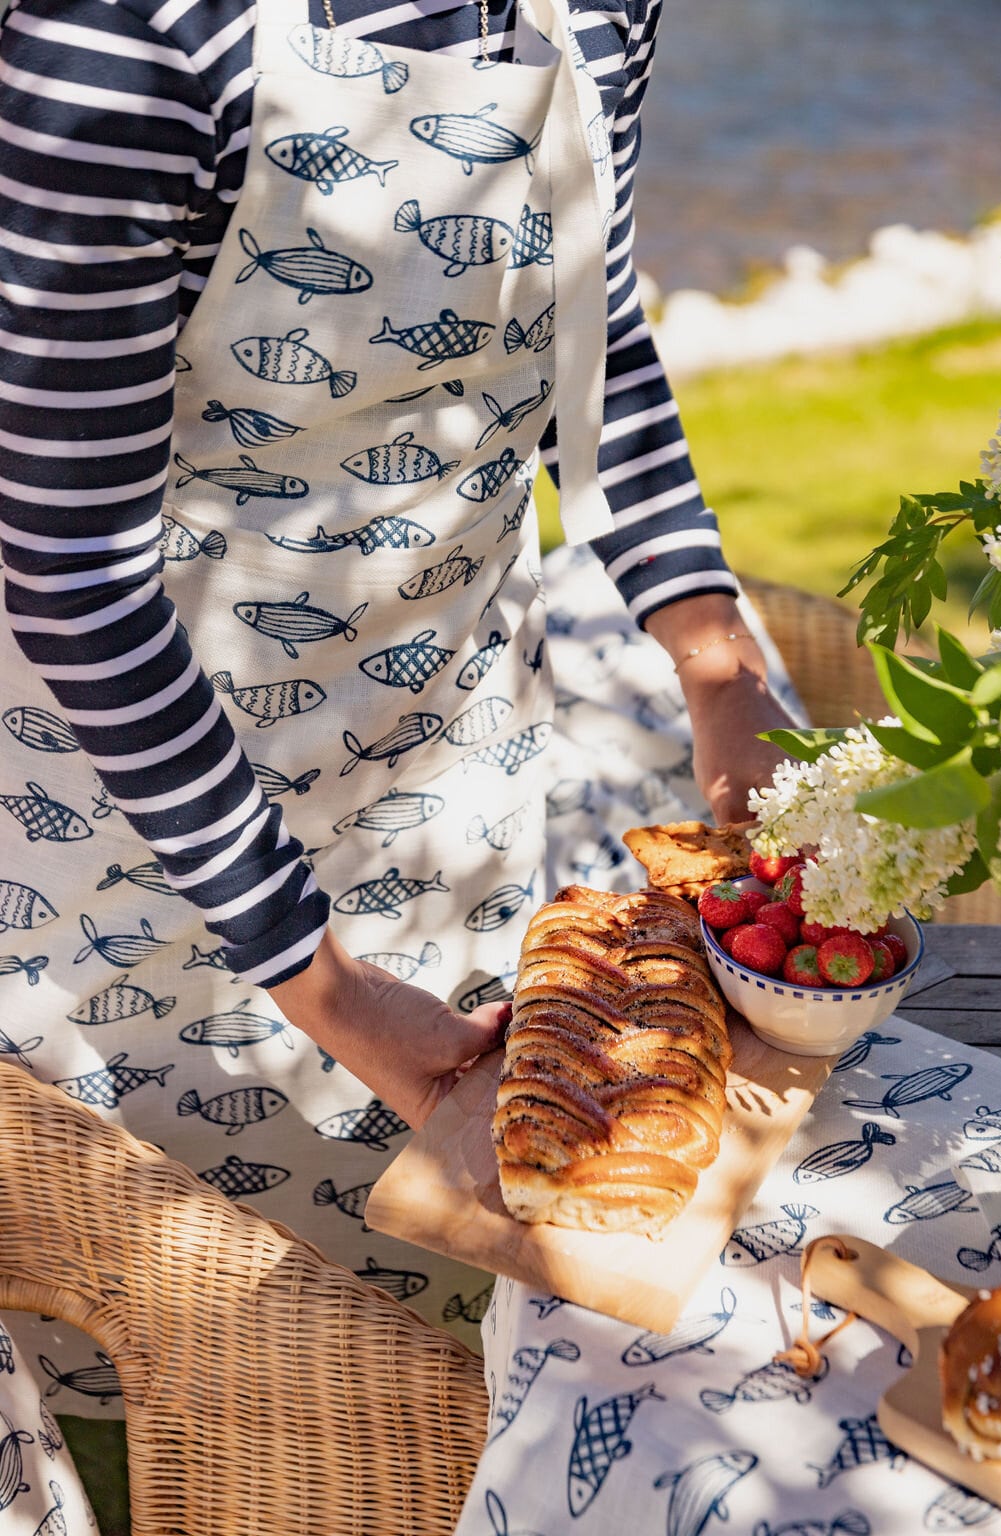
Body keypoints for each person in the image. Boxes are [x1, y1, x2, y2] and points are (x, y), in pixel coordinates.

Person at [0, 0, 796, 1449]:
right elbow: (70, 571)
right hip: (135, 852)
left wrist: (719, 665)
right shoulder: (129, 35)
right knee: (200, 1401)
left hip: (448, 795)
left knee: (459, 1360)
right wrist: (333, 995)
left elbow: (590, 327)